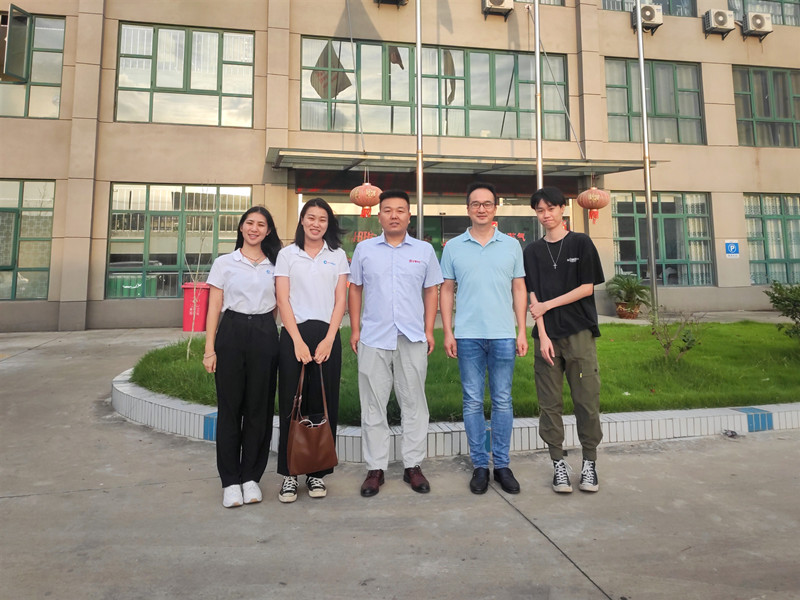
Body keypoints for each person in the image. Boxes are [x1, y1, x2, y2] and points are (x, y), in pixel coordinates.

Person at [348, 189, 443, 497]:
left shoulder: (424, 251)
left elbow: (431, 290)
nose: (394, 215)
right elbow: (355, 288)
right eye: (387, 210)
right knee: (373, 404)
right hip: (374, 337)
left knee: (414, 403)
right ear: (379, 216)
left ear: (408, 216)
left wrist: (429, 330)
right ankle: (375, 469)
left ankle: (412, 466)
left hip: (412, 337)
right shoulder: (364, 249)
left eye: (400, 210)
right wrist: (355, 329)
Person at [440, 181, 529, 495]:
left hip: (503, 334)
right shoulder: (453, 247)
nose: (481, 208)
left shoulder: (511, 246)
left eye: (487, 203)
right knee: (472, 401)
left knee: (503, 400)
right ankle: (480, 465)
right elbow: (446, 290)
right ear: (467, 209)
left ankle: (502, 465)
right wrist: (448, 331)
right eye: (475, 204)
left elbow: (519, 288)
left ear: (495, 208)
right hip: (467, 336)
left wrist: (521, 330)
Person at [523, 186, 605, 494]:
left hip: (579, 333)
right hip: (547, 337)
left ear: (562, 209)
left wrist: (548, 305)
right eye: (540, 211)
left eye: (551, 208)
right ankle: (558, 463)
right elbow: (532, 296)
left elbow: (587, 288)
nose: (546, 215)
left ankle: (589, 462)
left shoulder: (581, 243)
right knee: (549, 404)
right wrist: (542, 334)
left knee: (586, 400)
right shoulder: (532, 251)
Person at [203, 206, 282, 508]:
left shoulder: (276, 264)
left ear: (268, 231)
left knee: (259, 408)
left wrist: (264, 329)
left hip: (264, 332)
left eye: (261, 224)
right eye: (250, 223)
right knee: (230, 409)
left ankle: (251, 477)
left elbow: (278, 304)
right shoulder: (225, 263)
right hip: (232, 332)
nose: (254, 228)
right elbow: (214, 306)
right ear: (241, 227)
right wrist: (210, 349)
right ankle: (230, 481)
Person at [275, 198, 349, 503]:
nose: (316, 223)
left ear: (328, 224)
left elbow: (341, 300)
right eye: (311, 217)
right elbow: (282, 299)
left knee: (324, 401)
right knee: (291, 402)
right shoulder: (287, 255)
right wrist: (296, 340)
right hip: (295, 334)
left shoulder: (338, 256)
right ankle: (290, 474)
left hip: (327, 335)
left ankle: (317, 472)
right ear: (302, 220)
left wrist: (330, 338)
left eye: (322, 219)